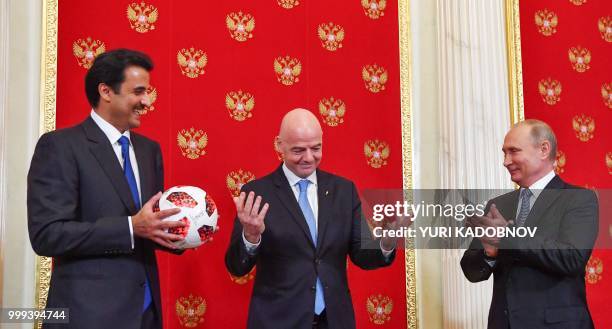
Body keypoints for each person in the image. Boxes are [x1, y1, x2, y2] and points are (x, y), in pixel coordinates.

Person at [27, 49, 185, 329]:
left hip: (146, 314)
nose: (147, 101)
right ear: (106, 91)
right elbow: (47, 235)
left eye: (147, 92)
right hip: (87, 316)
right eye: (138, 91)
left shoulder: (150, 151)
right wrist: (129, 227)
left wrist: (186, 228)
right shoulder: (61, 146)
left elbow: (150, 228)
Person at [225, 108, 407, 329]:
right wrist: (250, 236)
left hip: (334, 321)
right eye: (298, 150)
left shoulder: (344, 191)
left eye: (316, 148)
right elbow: (236, 266)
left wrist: (387, 241)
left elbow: (362, 255)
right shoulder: (257, 193)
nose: (309, 158)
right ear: (279, 145)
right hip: (278, 321)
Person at [461, 119, 598, 329]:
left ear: (544, 149)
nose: (506, 161)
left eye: (513, 151)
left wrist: (507, 236)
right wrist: (489, 254)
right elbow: (471, 270)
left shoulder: (579, 199)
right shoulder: (498, 204)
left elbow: (572, 258)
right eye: (504, 153)